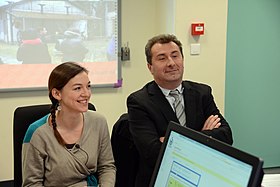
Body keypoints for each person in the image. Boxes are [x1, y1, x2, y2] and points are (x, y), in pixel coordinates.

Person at [127, 34, 233, 187]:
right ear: (150, 67)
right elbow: (152, 153)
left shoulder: (202, 93)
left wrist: (171, 140)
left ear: (182, 60)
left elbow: (226, 136)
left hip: (202, 175)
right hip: (162, 180)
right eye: (162, 58)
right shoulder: (139, 101)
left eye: (175, 56)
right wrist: (205, 135)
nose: (171, 63)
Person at [22, 62, 116, 187]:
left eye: (88, 86)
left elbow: (107, 167)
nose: (86, 94)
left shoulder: (98, 122)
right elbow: (32, 184)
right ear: (57, 94)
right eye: (78, 88)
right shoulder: (38, 132)